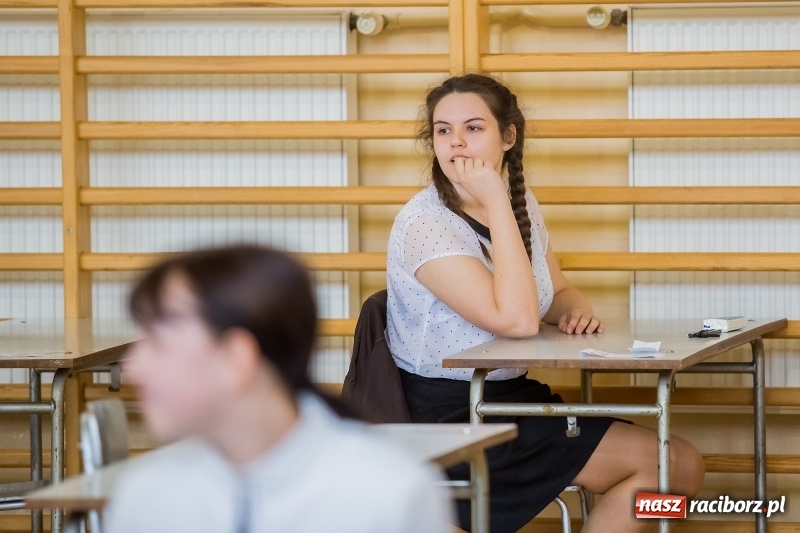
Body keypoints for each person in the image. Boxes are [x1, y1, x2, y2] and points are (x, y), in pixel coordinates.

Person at [386, 74, 705, 533]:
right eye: (443, 129)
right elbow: (516, 320)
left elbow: (551, 293)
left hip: (508, 400)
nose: (456, 142)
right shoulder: (426, 223)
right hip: (447, 414)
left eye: (473, 128)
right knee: (672, 462)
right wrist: (496, 201)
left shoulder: (520, 202)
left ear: (507, 136)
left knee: (681, 466)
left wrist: (574, 307)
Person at [105, 245, 452, 533]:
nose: (135, 366)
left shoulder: (390, 493)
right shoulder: (144, 498)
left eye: (159, 342)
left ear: (235, 358)